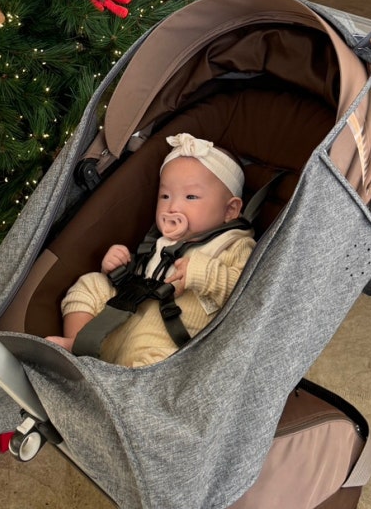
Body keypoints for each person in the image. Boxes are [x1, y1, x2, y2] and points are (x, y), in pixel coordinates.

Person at [47, 132, 255, 367]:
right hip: (123, 314)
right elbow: (145, 270)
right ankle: (78, 345)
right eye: (165, 196)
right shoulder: (161, 238)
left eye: (191, 196)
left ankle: (117, 380)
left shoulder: (236, 244)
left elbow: (247, 293)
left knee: (162, 364)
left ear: (230, 210)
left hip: (165, 339)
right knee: (91, 284)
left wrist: (202, 272)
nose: (173, 206)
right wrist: (121, 266)